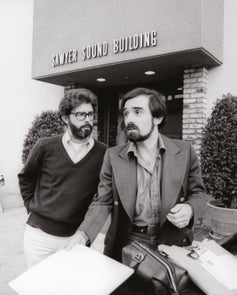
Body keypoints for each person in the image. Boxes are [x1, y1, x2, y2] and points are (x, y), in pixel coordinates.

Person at [77, 87, 206, 293]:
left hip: (173, 247)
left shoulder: (185, 151)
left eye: (137, 112)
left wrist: (190, 209)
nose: (129, 118)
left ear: (158, 117)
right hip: (127, 246)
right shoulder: (112, 156)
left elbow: (199, 193)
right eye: (126, 113)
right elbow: (102, 202)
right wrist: (83, 234)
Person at [18, 88, 108, 268]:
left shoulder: (103, 153)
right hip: (39, 238)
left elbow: (102, 196)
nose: (88, 120)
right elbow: (26, 178)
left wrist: (85, 232)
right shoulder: (45, 147)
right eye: (81, 115)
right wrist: (33, 208)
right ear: (66, 118)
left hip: (75, 238)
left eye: (90, 114)